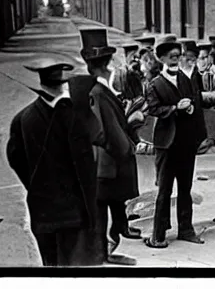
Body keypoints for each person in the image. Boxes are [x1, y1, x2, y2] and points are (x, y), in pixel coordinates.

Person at [6, 58, 97, 267]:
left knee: (49, 264)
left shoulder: (22, 118)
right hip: (73, 211)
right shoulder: (76, 116)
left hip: (41, 210)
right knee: (72, 267)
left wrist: (35, 184)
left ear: (41, 83)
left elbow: (15, 158)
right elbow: (86, 166)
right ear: (63, 84)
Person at [79, 28, 139, 266]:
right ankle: (102, 254)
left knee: (108, 204)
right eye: (110, 61)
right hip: (107, 162)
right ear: (105, 64)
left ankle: (106, 248)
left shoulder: (100, 88)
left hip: (107, 161)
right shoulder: (98, 92)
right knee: (101, 209)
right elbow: (102, 131)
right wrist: (127, 145)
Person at [144, 36, 207, 248]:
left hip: (186, 143)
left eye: (178, 57)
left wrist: (190, 107)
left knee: (185, 188)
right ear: (161, 58)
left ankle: (186, 230)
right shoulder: (154, 84)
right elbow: (153, 109)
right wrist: (174, 108)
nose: (175, 60)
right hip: (166, 145)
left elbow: (195, 102)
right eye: (171, 57)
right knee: (164, 191)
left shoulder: (186, 78)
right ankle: (158, 235)